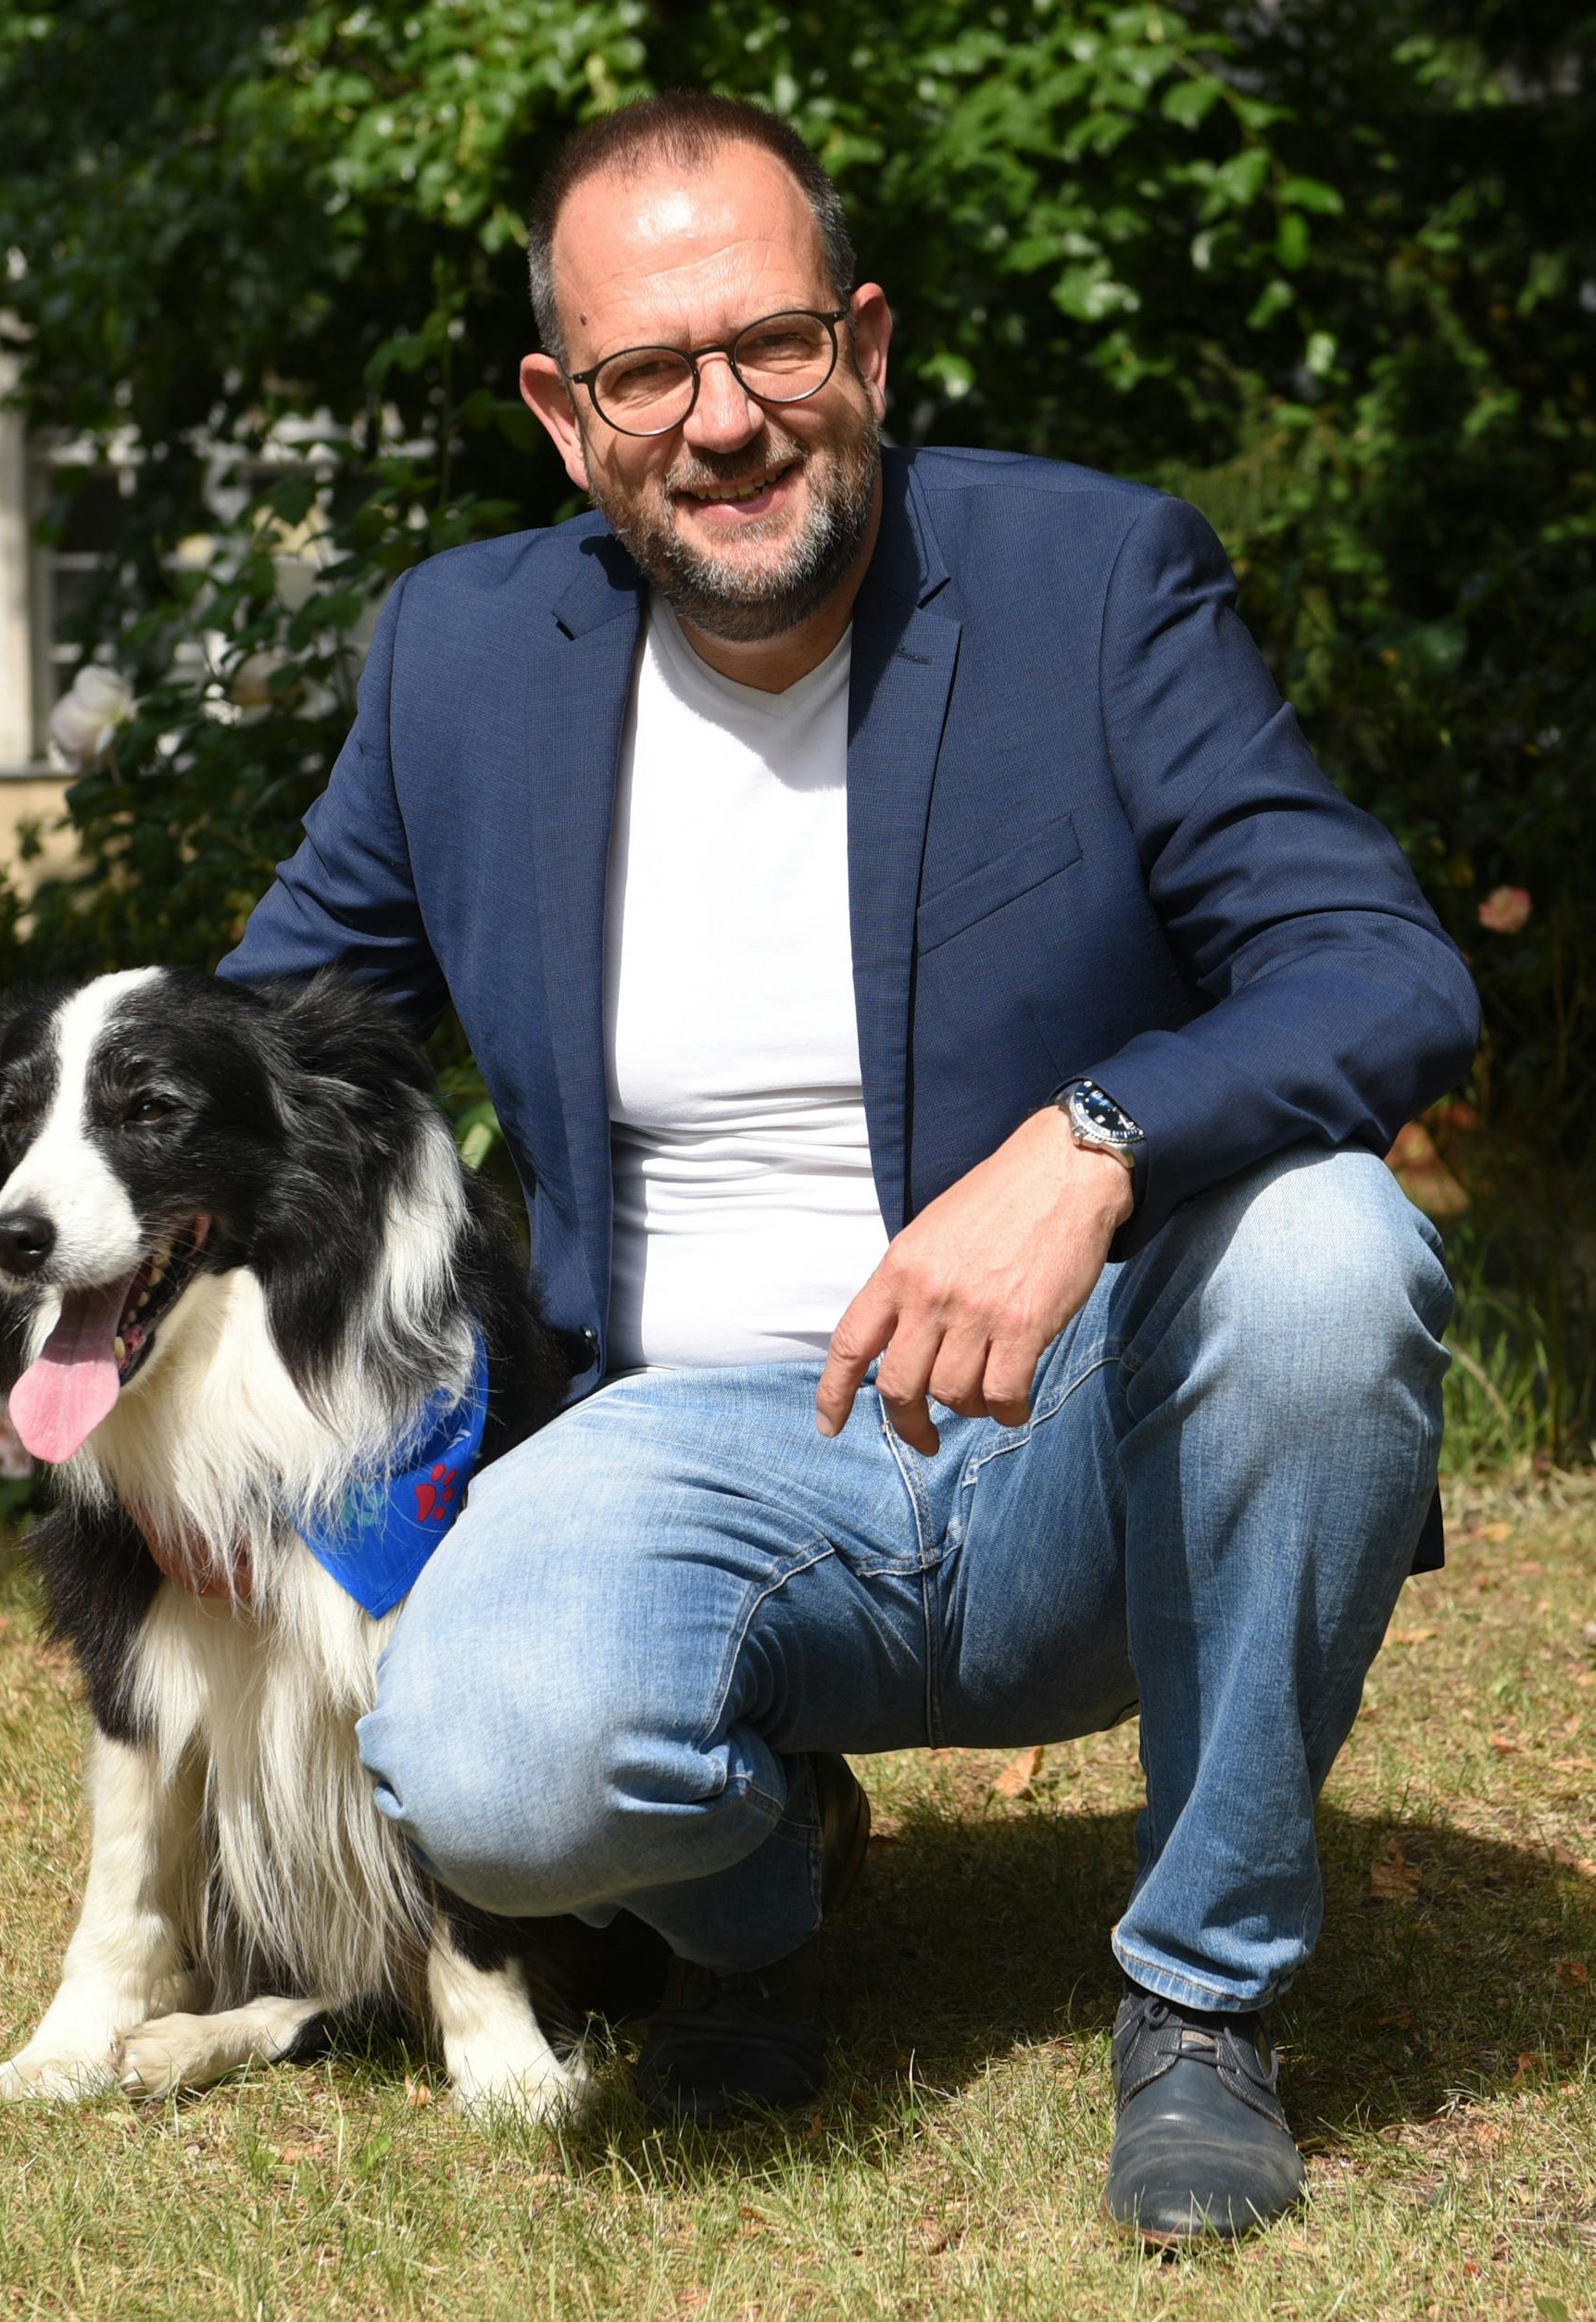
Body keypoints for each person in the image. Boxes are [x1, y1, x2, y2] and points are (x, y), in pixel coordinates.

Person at [220, 93, 1479, 2243]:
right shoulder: (456, 664)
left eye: (775, 347)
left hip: (1078, 1431)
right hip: (685, 1446)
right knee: (490, 1762)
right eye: (646, 372)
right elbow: (269, 1051)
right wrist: (101, 1261)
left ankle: (1201, 2000)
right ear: (563, 410)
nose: (723, 420)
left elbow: (1376, 969)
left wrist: (1089, 1146)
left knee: (1326, 1249)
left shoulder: (1092, 581)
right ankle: (759, 1902)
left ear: (867, 348)